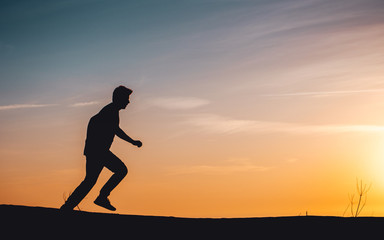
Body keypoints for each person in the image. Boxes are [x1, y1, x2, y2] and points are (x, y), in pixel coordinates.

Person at [60, 86, 142, 211]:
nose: (128, 102)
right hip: (99, 152)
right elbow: (116, 130)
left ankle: (68, 207)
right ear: (120, 98)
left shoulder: (111, 111)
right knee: (121, 170)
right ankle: (102, 197)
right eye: (127, 98)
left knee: (90, 181)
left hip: (96, 151)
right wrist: (132, 141)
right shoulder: (110, 111)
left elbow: (112, 129)